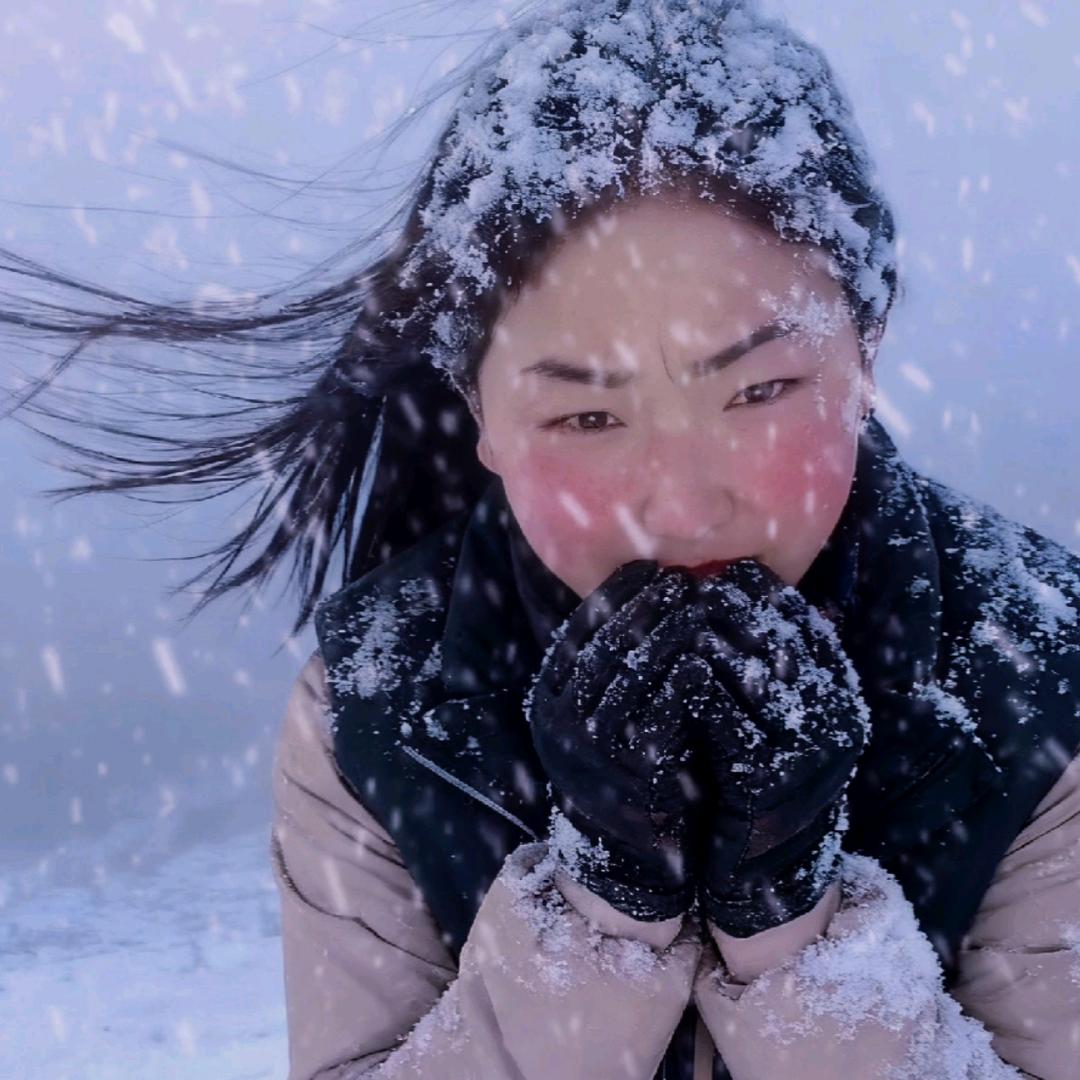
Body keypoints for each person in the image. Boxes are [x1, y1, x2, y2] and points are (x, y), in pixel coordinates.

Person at [5, 1, 1079, 1078]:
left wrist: (794, 927)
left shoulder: (1045, 681)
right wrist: (601, 913)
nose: (678, 509)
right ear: (481, 410)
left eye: (758, 389)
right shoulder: (376, 711)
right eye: (588, 417)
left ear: (867, 346)